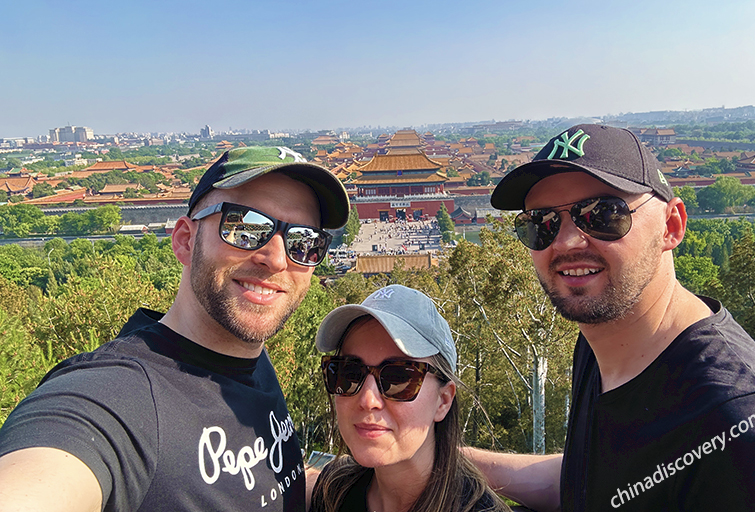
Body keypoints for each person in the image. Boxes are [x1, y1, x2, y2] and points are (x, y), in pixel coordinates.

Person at [0, 146, 350, 512]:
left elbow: (273, 479)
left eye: (303, 242)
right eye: (245, 227)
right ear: (185, 240)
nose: (277, 259)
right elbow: (40, 477)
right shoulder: (118, 398)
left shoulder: (250, 356)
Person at [466, 124, 755, 511]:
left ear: (671, 227)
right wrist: (444, 458)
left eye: (603, 214)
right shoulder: (601, 341)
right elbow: (596, 480)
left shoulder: (737, 424)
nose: (566, 241)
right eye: (542, 222)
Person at [310, 284, 512, 512]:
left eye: (399, 378)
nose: (368, 399)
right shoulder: (334, 492)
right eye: (348, 373)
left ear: (443, 401)